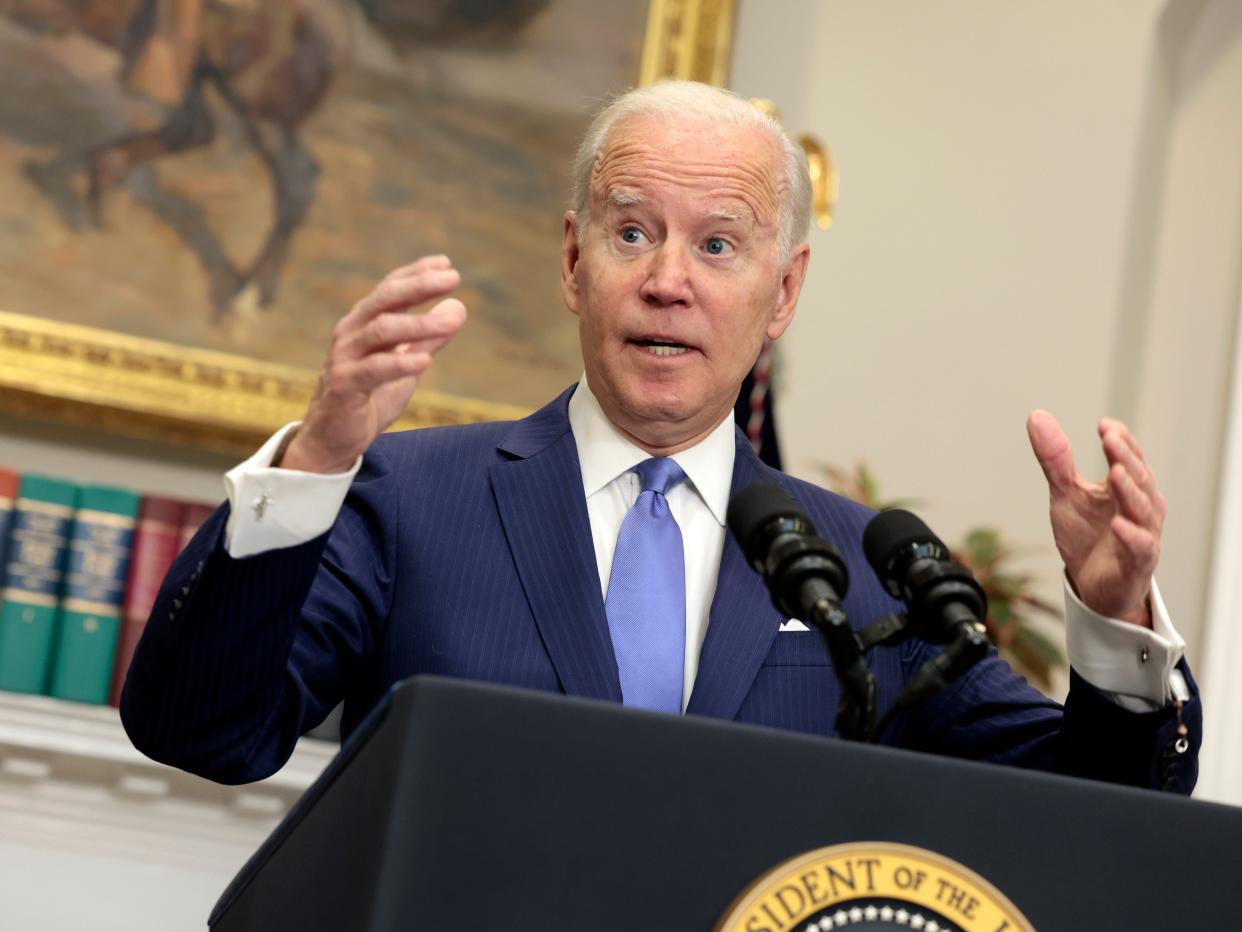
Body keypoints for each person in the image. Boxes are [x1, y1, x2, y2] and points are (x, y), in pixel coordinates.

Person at [120, 81, 1199, 790]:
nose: (668, 280)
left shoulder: (862, 572)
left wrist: (1111, 623)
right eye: (632, 231)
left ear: (783, 294)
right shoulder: (410, 495)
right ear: (573, 260)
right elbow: (203, 729)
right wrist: (313, 463)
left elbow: (1100, 804)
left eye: (719, 245)